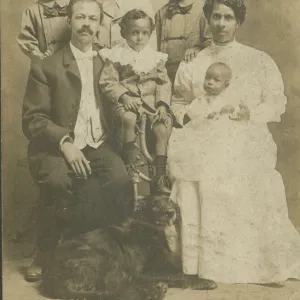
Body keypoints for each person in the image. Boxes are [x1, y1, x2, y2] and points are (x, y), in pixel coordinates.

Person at [169, 0, 300, 284]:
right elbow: (179, 100)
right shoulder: (194, 60)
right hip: (202, 139)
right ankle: (202, 265)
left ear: (238, 22)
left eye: (228, 17)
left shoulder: (259, 59)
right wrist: (188, 118)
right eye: (216, 16)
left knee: (242, 174)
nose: (221, 24)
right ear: (207, 19)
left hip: (243, 137)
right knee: (197, 173)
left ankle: (247, 263)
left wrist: (249, 113)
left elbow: (276, 101)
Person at [22, 0, 133, 282]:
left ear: (99, 24)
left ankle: (99, 252)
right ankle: (46, 252)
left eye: (93, 19)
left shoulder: (109, 64)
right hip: (55, 150)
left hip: (99, 145)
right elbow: (33, 119)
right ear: (69, 21)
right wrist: (65, 143)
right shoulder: (46, 67)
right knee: (59, 180)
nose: (87, 24)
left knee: (119, 179)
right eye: (81, 17)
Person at [99, 9, 173, 194]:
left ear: (150, 33)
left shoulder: (155, 58)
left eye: (144, 33)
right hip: (126, 103)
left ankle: (160, 174)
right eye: (134, 32)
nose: (139, 37)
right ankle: (130, 163)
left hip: (151, 105)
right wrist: (124, 96)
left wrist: (162, 105)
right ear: (124, 33)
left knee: (162, 127)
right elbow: (108, 82)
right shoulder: (116, 56)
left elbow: (164, 83)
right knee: (129, 119)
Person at [155, 0, 211, 85]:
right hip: (167, 73)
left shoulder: (202, 9)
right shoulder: (162, 13)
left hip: (190, 73)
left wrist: (198, 48)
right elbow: (156, 46)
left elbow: (211, 41)